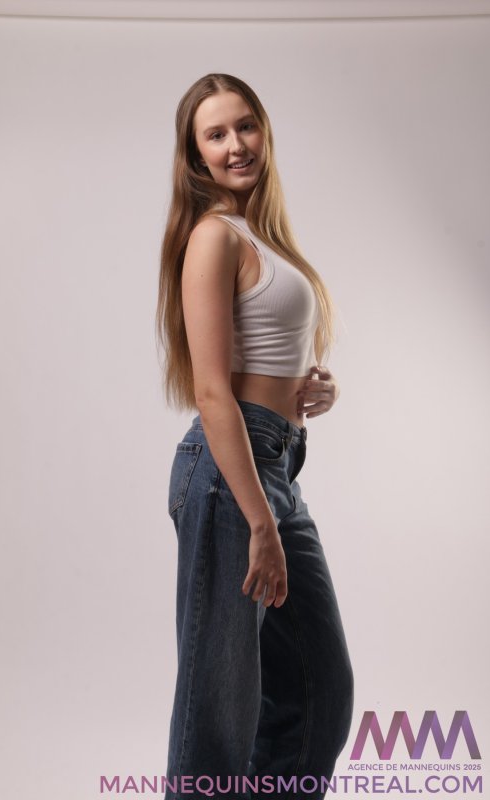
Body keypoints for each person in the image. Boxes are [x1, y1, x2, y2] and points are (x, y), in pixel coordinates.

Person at [155, 73, 354, 800]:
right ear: (196, 156)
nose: (236, 144)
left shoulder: (259, 234)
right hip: (228, 472)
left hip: (275, 465)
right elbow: (213, 391)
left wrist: (319, 386)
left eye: (245, 126)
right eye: (216, 134)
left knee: (317, 689)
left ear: (263, 130)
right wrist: (259, 522)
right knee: (219, 708)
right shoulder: (212, 235)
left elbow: (270, 351)